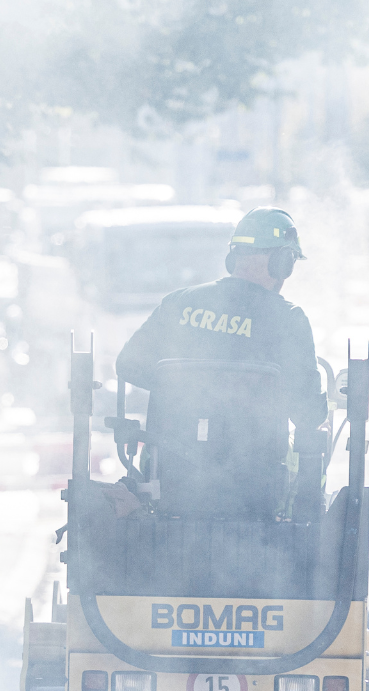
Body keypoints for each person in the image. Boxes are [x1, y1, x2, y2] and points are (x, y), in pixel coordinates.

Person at [114, 206, 327, 517]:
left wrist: (189, 388)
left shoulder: (179, 303)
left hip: (171, 480)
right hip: (254, 491)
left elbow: (128, 364)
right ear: (282, 262)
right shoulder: (288, 320)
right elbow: (308, 414)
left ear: (234, 256)